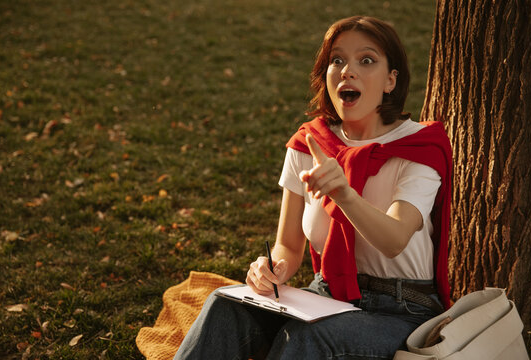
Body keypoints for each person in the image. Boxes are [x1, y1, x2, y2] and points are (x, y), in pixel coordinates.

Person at [174, 15, 452, 360]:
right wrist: (272, 270)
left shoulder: (418, 147)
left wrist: (344, 194)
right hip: (326, 295)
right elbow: (288, 246)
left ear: (390, 81)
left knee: (311, 337)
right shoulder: (309, 144)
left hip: (401, 308)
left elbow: (394, 239)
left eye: (366, 60)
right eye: (337, 60)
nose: (348, 70)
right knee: (223, 305)